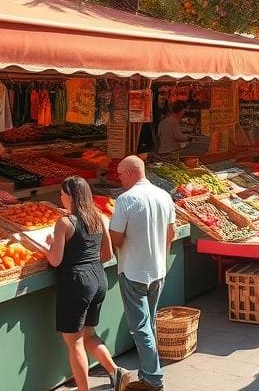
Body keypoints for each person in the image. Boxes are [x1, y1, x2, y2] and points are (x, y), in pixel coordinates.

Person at [45, 176, 120, 391]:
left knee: (74, 342)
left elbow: (55, 260)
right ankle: (116, 371)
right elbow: (107, 255)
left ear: (70, 196)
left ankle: (83, 389)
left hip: (76, 284)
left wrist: (49, 246)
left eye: (62, 194)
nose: (60, 197)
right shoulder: (99, 217)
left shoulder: (64, 222)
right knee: (89, 334)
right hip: (98, 279)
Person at [110, 156, 177, 391]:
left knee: (140, 327)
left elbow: (116, 239)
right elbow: (172, 234)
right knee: (149, 323)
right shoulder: (164, 196)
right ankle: (149, 371)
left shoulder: (125, 200)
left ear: (130, 173)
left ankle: (153, 379)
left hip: (133, 270)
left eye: (119, 173)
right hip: (157, 269)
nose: (118, 177)